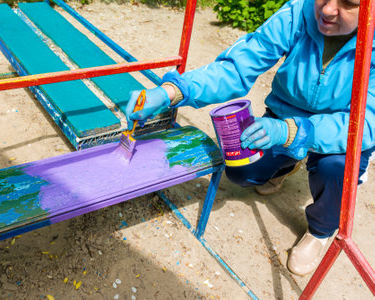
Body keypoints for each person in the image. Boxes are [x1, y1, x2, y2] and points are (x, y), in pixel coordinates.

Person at [125, 0, 374, 276]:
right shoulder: (298, 12)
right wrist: (173, 92)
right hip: (286, 115)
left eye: (349, 3)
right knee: (242, 170)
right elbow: (237, 67)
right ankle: (289, 164)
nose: (327, 9)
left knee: (336, 169)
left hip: (344, 131)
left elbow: (367, 123)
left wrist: (293, 131)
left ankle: (320, 230)